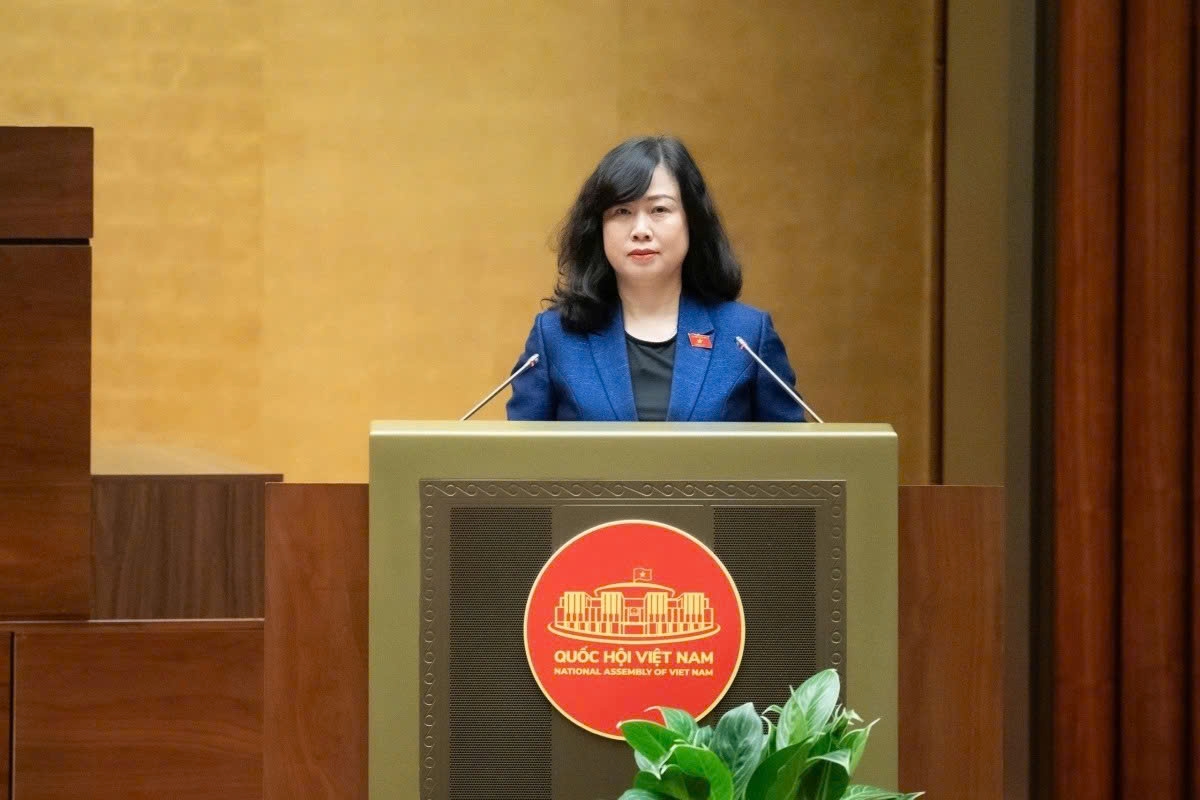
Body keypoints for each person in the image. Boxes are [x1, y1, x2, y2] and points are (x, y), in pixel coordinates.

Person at [506, 135, 807, 422]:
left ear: (692, 221)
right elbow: (516, 462)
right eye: (622, 211)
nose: (640, 229)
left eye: (659, 209)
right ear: (598, 229)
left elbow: (795, 460)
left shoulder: (746, 336)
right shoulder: (556, 337)